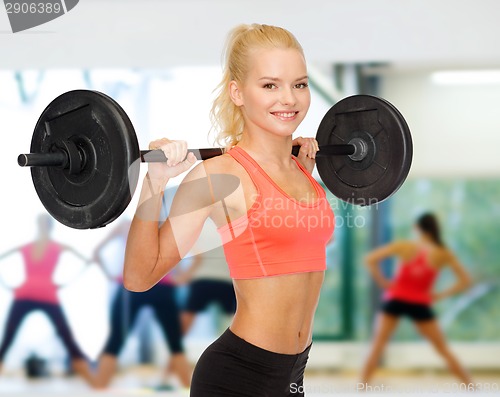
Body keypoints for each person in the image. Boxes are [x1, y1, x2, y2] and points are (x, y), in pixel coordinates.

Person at [124, 23, 335, 396]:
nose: (288, 98)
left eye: (299, 84)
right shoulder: (217, 175)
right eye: (270, 85)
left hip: (293, 375)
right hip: (238, 376)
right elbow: (139, 277)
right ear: (237, 92)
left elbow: (290, 241)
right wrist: (155, 181)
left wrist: (307, 169)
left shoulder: (302, 168)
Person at [360, 212, 473, 385]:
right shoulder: (443, 253)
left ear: (418, 228)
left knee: (378, 346)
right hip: (420, 303)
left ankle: (361, 389)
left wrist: (384, 282)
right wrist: (440, 295)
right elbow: (465, 281)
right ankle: (472, 387)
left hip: (395, 299)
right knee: (442, 349)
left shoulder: (405, 246)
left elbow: (369, 259)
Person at [91, 219, 192, 389]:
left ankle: (99, 387)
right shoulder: (166, 225)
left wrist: (110, 275)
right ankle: (190, 390)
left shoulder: (125, 225)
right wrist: (180, 276)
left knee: (115, 340)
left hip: (133, 286)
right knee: (175, 343)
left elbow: (96, 252)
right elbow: (175, 259)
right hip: (159, 287)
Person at [0, 214, 93, 383]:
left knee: (66, 336)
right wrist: (6, 284)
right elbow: (87, 261)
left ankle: (90, 379)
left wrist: (65, 282)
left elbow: (87, 261)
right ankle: (91, 379)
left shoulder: (51, 247)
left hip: (42, 295)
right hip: (29, 294)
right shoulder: (31, 246)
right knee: (8, 337)